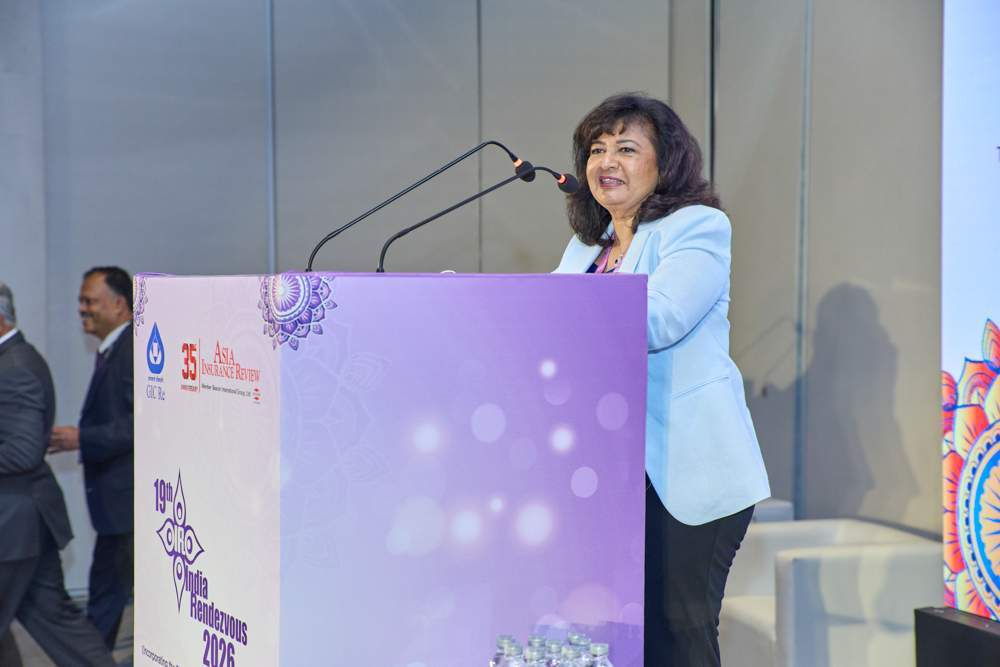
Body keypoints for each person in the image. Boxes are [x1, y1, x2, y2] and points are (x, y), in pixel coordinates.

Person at [553, 93, 770, 666]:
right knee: (630, 636)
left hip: (688, 469)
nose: (606, 161)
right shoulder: (587, 247)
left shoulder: (697, 227)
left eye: (626, 148)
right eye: (596, 150)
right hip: (615, 477)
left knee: (679, 635)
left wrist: (557, 311)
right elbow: (548, 330)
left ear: (664, 161)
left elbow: (660, 318)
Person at [0, 281, 116, 666]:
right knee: (60, 627)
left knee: (58, 624)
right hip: (23, 526)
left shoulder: (15, 369)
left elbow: (21, 452)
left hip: (13, 526)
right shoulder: (14, 361)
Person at [49, 267, 135, 651]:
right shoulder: (115, 349)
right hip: (118, 507)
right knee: (105, 597)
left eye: (90, 301)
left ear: (120, 304)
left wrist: (81, 438)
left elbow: (140, 424)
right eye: (81, 301)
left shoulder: (132, 350)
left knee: (104, 598)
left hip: (127, 506)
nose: (82, 309)